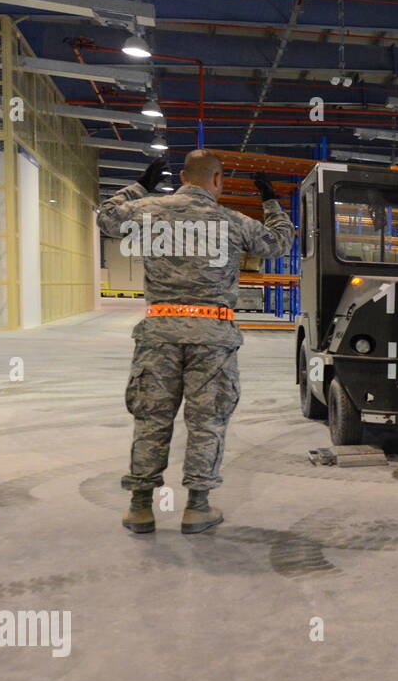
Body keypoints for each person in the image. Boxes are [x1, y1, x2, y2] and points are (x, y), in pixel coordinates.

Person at [97, 151, 294, 534]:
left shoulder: (149, 210)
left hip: (159, 334)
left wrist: (140, 185)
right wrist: (270, 200)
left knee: (151, 419)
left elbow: (106, 216)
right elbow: (280, 243)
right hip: (213, 338)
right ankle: (197, 507)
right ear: (218, 180)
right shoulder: (234, 221)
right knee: (207, 421)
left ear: (182, 176)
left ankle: (140, 508)